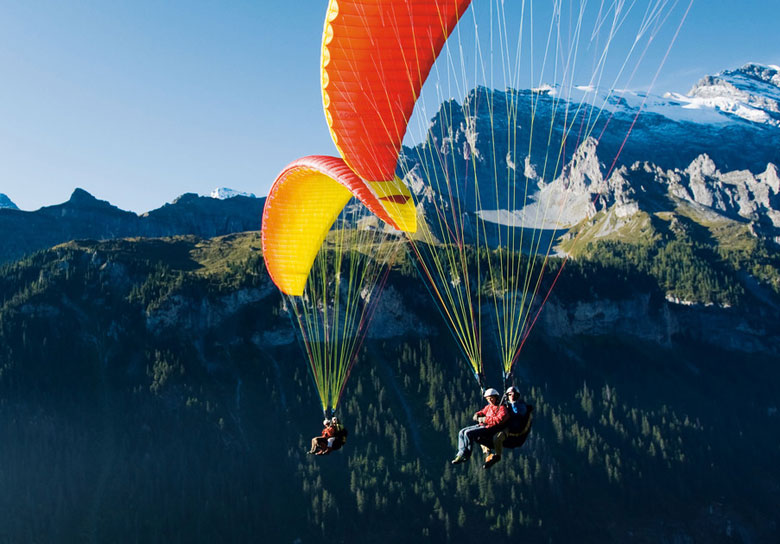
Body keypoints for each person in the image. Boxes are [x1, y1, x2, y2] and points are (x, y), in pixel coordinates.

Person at [451, 388, 508, 465]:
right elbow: (482, 412)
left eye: (491, 398)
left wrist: (484, 419)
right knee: (461, 432)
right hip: (482, 425)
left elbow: (498, 420)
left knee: (468, 433)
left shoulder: (502, 408)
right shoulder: (489, 407)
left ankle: (466, 454)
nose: (490, 400)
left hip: (489, 428)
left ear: (496, 398)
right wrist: (477, 414)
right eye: (488, 399)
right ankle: (461, 453)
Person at [482, 385, 534, 469]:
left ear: (517, 396)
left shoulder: (521, 406)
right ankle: (488, 454)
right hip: (506, 430)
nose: (512, 397)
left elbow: (517, 413)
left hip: (515, 434)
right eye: (509, 395)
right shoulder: (506, 406)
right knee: (481, 434)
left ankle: (497, 456)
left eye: (513, 395)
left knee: (497, 438)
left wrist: (510, 404)